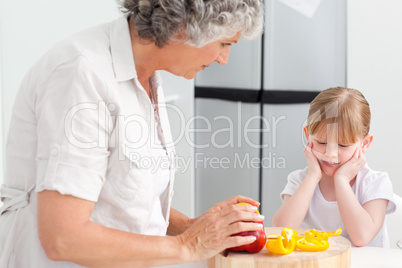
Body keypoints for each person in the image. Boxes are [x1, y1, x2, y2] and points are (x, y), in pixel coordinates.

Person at [0, 0, 265, 267]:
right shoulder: (83, 74)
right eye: (225, 44)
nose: (223, 59)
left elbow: (119, 195)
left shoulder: (144, 76)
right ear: (185, 26)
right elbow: (64, 238)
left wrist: (192, 227)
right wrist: (189, 245)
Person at [272, 87, 396, 247]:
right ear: (308, 135)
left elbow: (361, 237)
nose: (330, 154)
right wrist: (312, 177)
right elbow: (281, 229)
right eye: (322, 143)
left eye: (343, 145)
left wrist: (342, 180)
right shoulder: (301, 180)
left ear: (365, 144)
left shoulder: (376, 183)